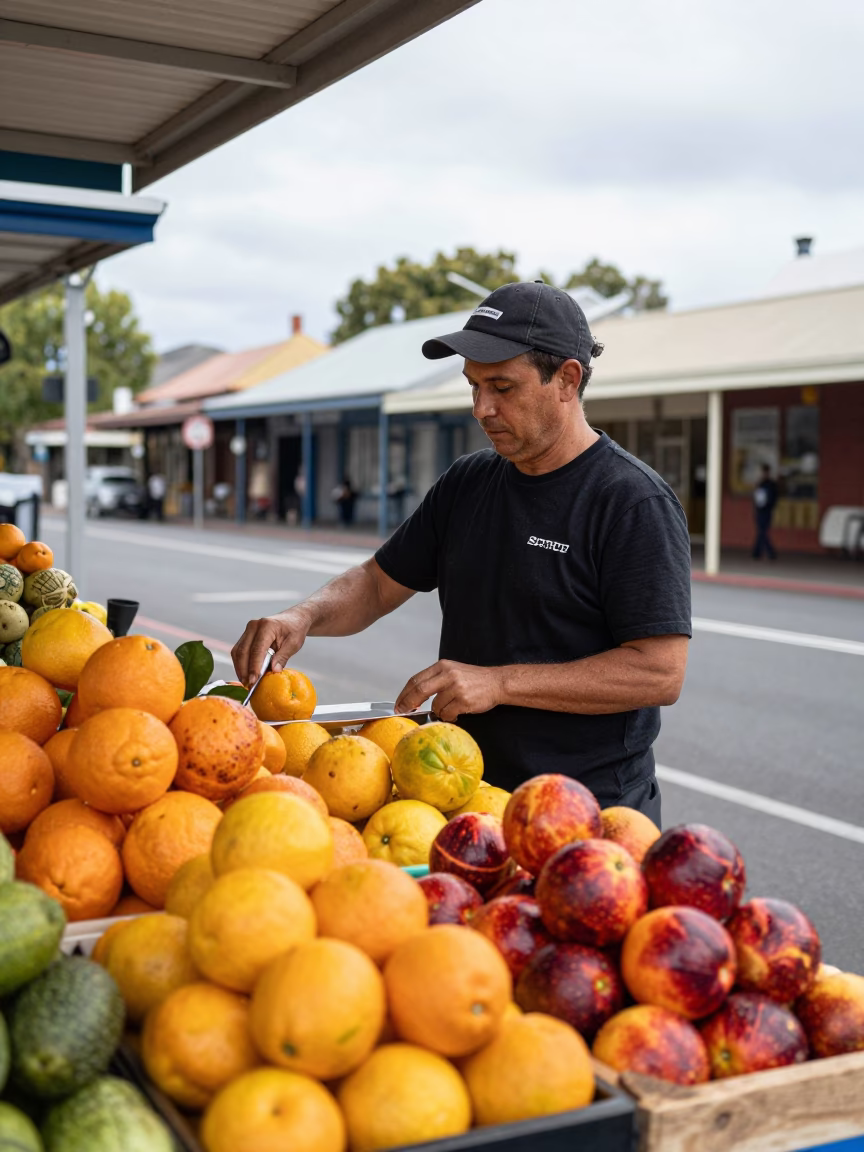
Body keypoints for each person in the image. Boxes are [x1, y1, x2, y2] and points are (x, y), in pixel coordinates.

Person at [232, 282, 692, 825]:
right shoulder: (469, 482)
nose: (482, 408)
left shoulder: (632, 501)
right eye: (473, 386)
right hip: (464, 798)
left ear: (567, 379)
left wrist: (498, 682)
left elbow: (659, 672)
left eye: (502, 386)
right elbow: (379, 583)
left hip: (586, 815)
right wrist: (301, 616)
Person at [752, 463, 778, 560]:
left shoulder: (770, 485)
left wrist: (769, 506)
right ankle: (757, 552)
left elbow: (773, 498)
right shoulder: (760, 483)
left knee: (762, 531)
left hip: (766, 511)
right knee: (761, 531)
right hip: (760, 510)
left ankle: (768, 552)